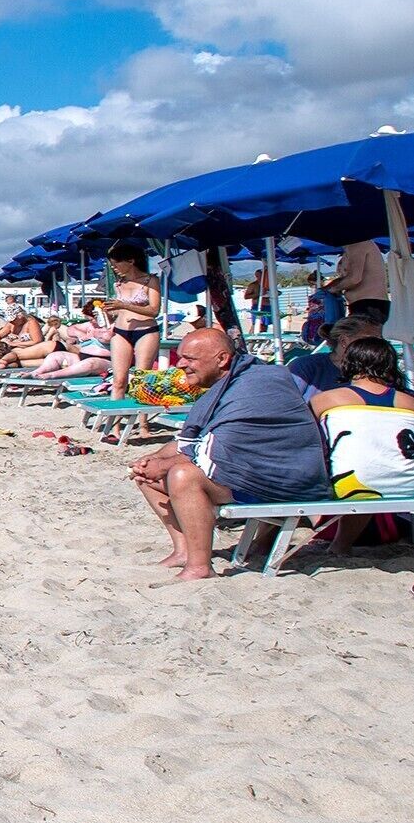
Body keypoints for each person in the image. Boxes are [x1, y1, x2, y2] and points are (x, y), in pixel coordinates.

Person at [129, 326, 333, 579]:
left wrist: (167, 464)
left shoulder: (255, 385)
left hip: (283, 481)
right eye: (181, 357)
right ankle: (184, 550)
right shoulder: (234, 381)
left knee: (183, 475)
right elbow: (198, 439)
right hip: (258, 471)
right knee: (149, 473)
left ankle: (200, 567)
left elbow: (220, 447)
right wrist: (155, 459)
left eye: (189, 359)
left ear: (222, 359)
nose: (180, 365)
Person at [308, 335, 414, 499]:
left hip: (353, 485)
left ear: (348, 363)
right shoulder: (411, 403)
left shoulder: (326, 400)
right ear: (391, 365)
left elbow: (307, 439)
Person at [286, 298, 388, 395]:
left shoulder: (381, 369)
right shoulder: (306, 367)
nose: (379, 345)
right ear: (344, 341)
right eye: (372, 340)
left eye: (381, 339)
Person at [103, 241, 162, 398]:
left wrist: (124, 305)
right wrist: (109, 312)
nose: (114, 267)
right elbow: (119, 312)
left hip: (146, 330)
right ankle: (114, 422)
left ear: (131, 261)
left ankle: (143, 422)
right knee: (118, 381)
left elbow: (154, 311)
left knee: (141, 379)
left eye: (116, 264)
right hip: (120, 330)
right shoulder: (118, 284)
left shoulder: (151, 281)